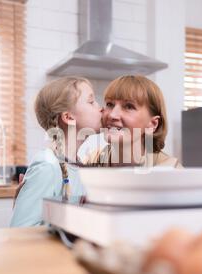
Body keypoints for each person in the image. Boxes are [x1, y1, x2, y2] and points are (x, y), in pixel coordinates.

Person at [10, 76, 102, 227]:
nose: (100, 108)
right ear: (68, 117)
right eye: (91, 102)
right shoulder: (47, 166)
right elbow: (19, 232)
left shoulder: (77, 166)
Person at [85, 75, 183, 168]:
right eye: (110, 104)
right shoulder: (93, 161)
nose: (112, 115)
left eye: (129, 106)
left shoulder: (173, 173)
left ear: (153, 124)